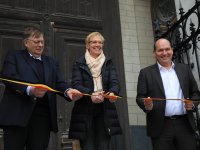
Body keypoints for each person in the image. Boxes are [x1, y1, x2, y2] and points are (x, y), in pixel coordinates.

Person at [0, 26, 82, 150]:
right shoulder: (14, 56)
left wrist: (68, 91)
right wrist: (30, 90)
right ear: (26, 43)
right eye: (36, 41)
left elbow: (59, 83)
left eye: (42, 42)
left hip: (42, 119)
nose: (40, 45)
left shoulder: (52, 62)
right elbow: (7, 77)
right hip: (17, 116)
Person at [136, 38, 200, 150]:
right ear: (154, 53)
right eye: (160, 50)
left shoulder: (184, 69)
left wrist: (193, 104)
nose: (164, 53)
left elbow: (195, 93)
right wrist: (147, 104)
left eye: (167, 49)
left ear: (172, 50)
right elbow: (140, 97)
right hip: (160, 127)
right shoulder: (146, 73)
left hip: (185, 124)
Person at [68, 32, 122, 150]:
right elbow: (76, 84)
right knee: (88, 146)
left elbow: (115, 82)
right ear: (87, 45)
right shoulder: (79, 63)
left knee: (104, 146)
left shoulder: (109, 62)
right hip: (84, 111)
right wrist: (91, 94)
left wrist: (113, 93)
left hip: (105, 111)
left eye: (100, 42)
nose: (98, 45)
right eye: (94, 42)